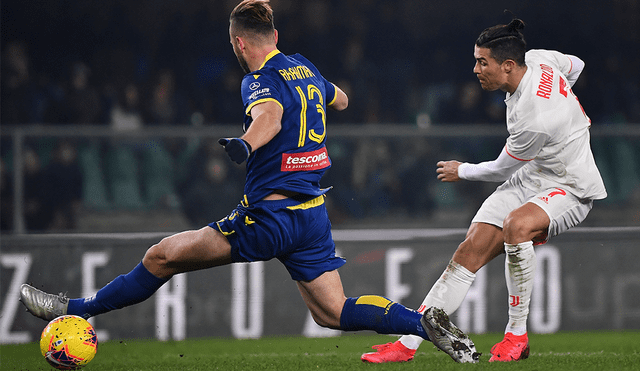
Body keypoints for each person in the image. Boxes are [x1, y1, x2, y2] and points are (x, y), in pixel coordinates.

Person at [19, 0, 479, 364]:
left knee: (161, 256)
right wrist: (321, 91)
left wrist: (245, 143)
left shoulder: (257, 79)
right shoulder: (303, 67)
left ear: (239, 44)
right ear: (274, 36)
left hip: (270, 217)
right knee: (332, 312)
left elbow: (271, 117)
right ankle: (423, 323)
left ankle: (74, 308)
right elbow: (341, 100)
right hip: (311, 216)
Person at [362, 18, 606, 363]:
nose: (475, 69)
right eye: (477, 60)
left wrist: (461, 169)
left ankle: (516, 337)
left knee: (517, 227)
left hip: (570, 184)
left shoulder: (535, 115)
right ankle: (407, 343)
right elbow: (576, 65)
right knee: (468, 252)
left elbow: (501, 169)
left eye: (482, 62)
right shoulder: (538, 59)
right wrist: (566, 103)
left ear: (507, 66)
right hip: (534, 175)